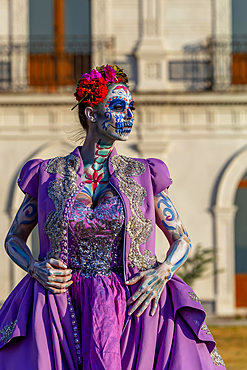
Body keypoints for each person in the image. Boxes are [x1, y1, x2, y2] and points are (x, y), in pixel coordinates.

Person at [0, 65, 226, 370]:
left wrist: (163, 272)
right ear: (92, 113)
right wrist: (34, 267)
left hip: (132, 305)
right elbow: (14, 238)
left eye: (131, 107)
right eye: (118, 107)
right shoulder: (47, 174)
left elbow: (181, 240)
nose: (129, 115)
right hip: (60, 304)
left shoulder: (146, 174)